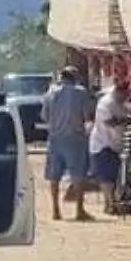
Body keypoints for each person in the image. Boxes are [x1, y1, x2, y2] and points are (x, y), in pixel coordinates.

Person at [42, 67, 95, 222]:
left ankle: (56, 210)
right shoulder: (80, 92)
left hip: (54, 138)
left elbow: (45, 116)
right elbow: (87, 115)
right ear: (75, 77)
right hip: (75, 138)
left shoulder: (50, 93)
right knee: (78, 175)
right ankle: (79, 210)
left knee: (54, 176)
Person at [89, 79, 129, 216]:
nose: (126, 98)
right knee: (107, 177)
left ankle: (109, 204)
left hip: (115, 143)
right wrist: (126, 121)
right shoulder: (106, 103)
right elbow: (110, 122)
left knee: (112, 175)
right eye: (124, 94)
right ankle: (111, 203)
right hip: (103, 143)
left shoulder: (119, 103)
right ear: (118, 92)